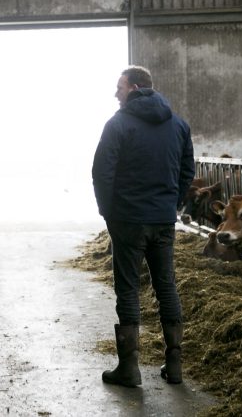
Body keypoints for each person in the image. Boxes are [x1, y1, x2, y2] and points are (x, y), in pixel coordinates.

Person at [91, 65, 195, 387]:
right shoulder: (178, 124)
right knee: (166, 285)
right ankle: (174, 364)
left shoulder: (118, 124)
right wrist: (171, 204)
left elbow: (101, 173)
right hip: (162, 219)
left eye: (119, 87)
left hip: (128, 220)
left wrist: (109, 211)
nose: (115, 93)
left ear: (134, 88)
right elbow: (187, 170)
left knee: (128, 287)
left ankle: (129, 368)